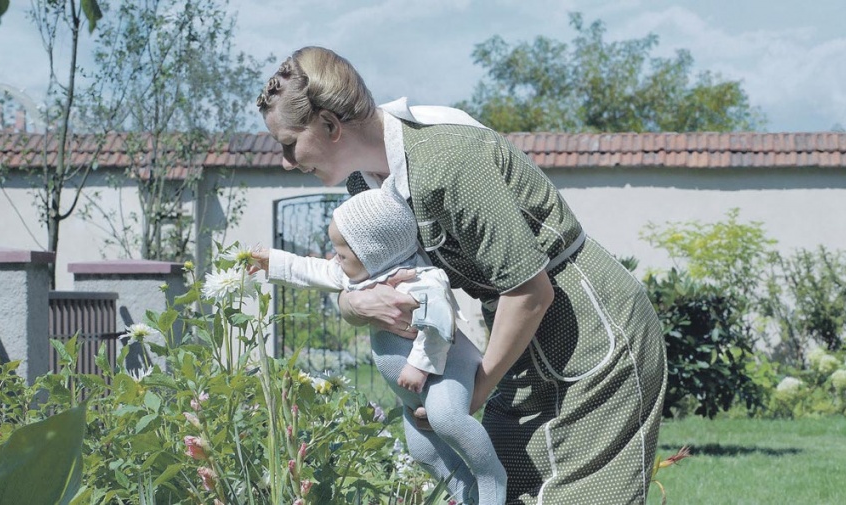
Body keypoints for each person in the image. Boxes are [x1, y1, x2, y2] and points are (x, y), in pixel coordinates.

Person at [256, 46, 667, 504]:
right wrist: (354, 303)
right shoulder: (363, 184)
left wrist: (472, 394)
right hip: (520, 343)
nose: (286, 161)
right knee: (511, 491)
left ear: (331, 125)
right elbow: (359, 277)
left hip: (591, 330)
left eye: (289, 143)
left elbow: (531, 292)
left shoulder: (448, 161)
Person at [251, 188, 507, 505]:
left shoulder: (422, 279)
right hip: (414, 390)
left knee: (446, 418)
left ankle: (491, 478)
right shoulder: (361, 274)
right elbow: (313, 269)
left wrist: (418, 365)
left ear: (373, 253)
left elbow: (439, 324)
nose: (334, 259)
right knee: (422, 450)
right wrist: (272, 262)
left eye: (342, 254)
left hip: (445, 368)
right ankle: (467, 492)